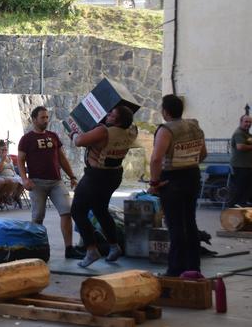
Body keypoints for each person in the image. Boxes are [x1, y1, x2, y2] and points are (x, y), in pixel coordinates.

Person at [69, 106, 138, 267]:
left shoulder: (104, 131)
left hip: (96, 176)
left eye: (112, 115)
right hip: (114, 175)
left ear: (118, 121)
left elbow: (79, 141)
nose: (107, 115)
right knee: (100, 210)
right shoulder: (132, 130)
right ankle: (114, 247)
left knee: (77, 211)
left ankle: (91, 250)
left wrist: (72, 133)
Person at [149, 94, 206, 277]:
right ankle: (193, 267)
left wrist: (154, 183)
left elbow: (156, 158)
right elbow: (203, 154)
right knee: (190, 223)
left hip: (172, 180)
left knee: (175, 225)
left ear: (165, 112)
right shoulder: (194, 126)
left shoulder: (166, 130)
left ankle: (175, 269)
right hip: (192, 175)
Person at [17, 106, 83, 259]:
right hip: (37, 183)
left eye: (47, 117)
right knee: (38, 217)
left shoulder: (53, 136)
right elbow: (20, 160)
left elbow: (62, 158)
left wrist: (72, 176)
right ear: (34, 119)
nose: (46, 120)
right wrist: (24, 179)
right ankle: (36, 249)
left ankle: (69, 249)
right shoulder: (26, 139)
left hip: (56, 182)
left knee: (66, 212)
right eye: (42, 118)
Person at [229, 115, 252, 207]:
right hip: (240, 166)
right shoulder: (239, 133)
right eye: (246, 121)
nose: (248, 124)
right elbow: (240, 146)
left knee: (248, 187)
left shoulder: (247, 134)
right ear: (241, 122)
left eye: (250, 122)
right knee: (240, 187)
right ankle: (233, 207)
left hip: (248, 165)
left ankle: (242, 204)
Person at [0, 140, 24, 208]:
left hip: (12, 175)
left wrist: (15, 174)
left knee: (23, 180)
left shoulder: (9, 158)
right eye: (3, 149)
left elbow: (12, 169)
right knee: (14, 181)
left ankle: (16, 196)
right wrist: (3, 160)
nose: (4, 151)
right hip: (2, 175)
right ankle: (7, 196)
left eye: (6, 149)